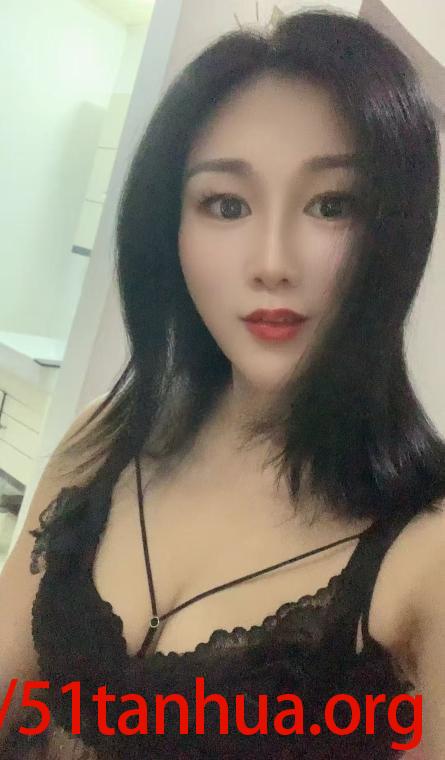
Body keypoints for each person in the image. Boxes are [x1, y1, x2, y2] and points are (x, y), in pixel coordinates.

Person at [0, 7, 444, 759]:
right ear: (170, 228)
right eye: (226, 205)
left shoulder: (425, 550)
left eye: (332, 205)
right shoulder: (104, 439)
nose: (272, 262)